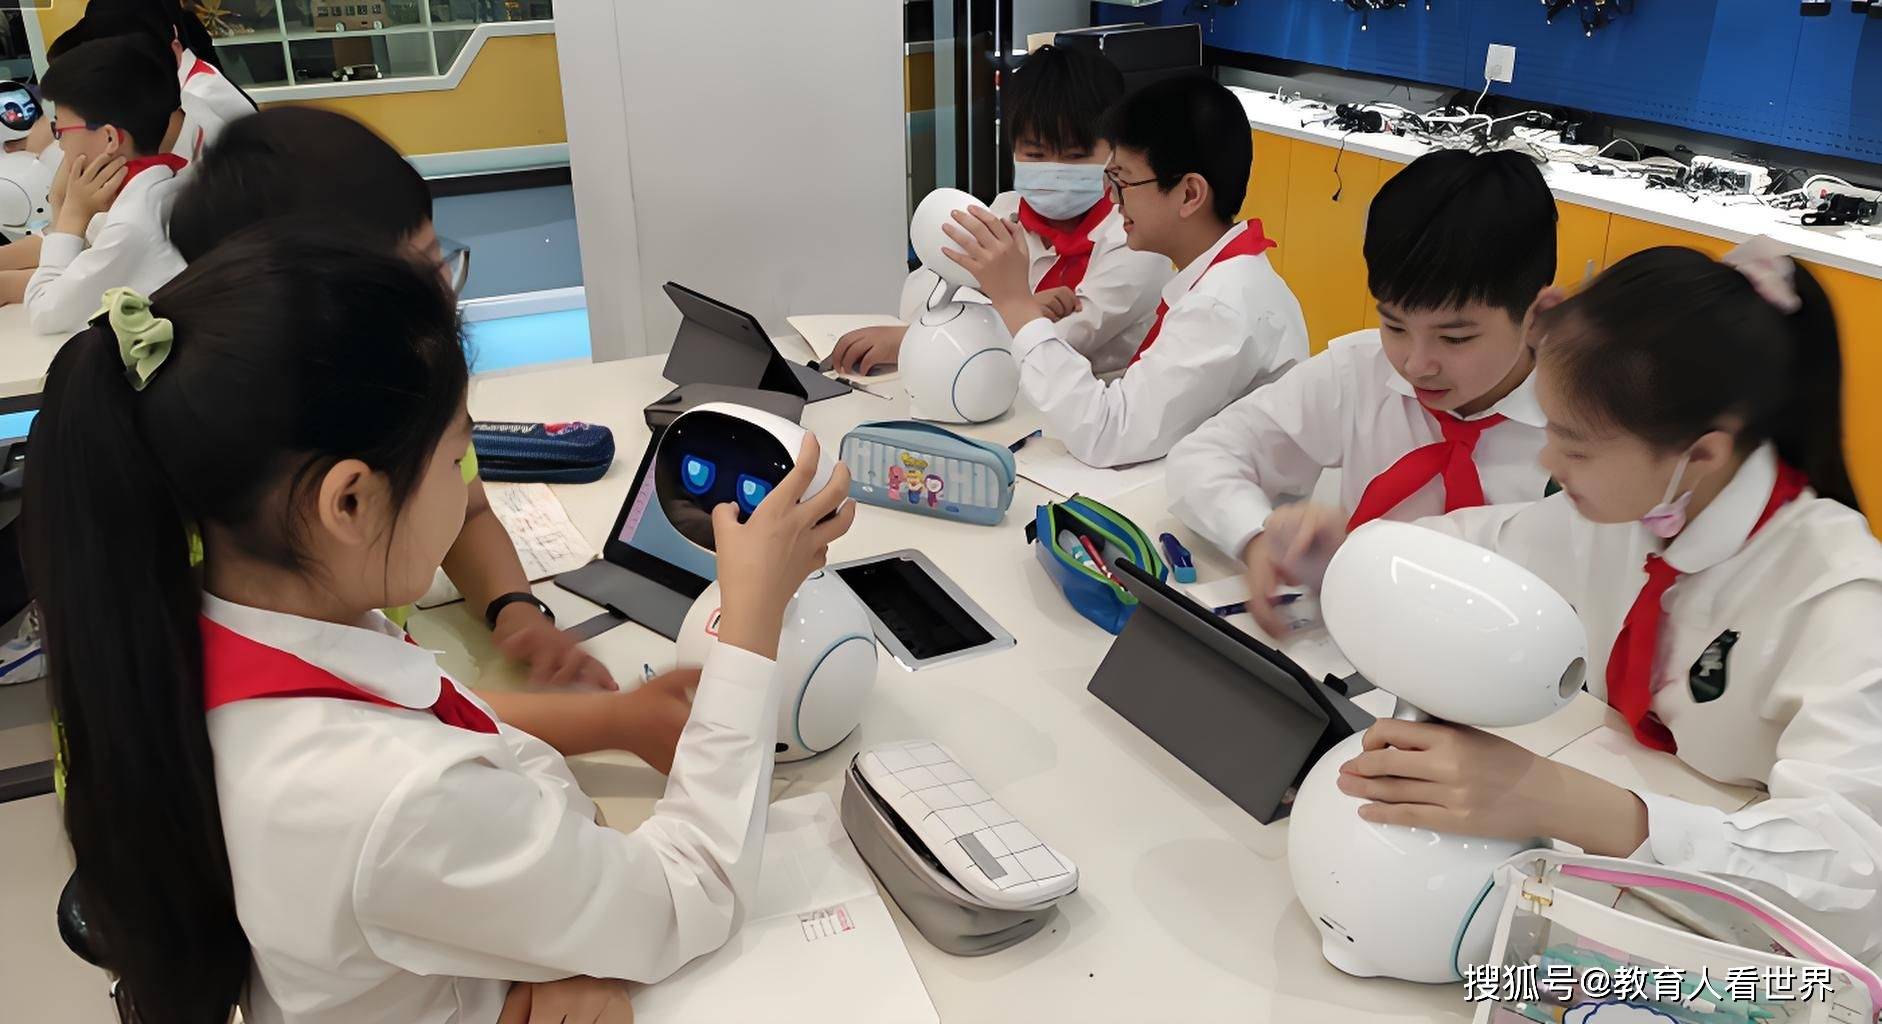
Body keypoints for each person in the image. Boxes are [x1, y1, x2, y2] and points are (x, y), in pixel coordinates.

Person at [24, 225, 857, 1023]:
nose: (467, 488)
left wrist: (562, 941)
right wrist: (752, 617)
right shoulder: (394, 796)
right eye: (455, 454)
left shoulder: (224, 635)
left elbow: (459, 735)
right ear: (350, 502)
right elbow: (693, 889)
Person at [1268, 242, 1882, 964]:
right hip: (1602, 884)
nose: (1548, 464)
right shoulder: (1632, 513)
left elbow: (1852, 879)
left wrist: (1566, 802)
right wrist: (1343, 553)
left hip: (1741, 954)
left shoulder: (1842, 598)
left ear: (1703, 455)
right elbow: (1477, 546)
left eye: (1576, 446)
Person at [170, 107, 603, 690]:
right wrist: (599, 720)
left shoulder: (398, 388)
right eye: (421, 272)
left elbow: (467, 511)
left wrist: (514, 609)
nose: (446, 294)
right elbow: (329, 705)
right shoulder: (232, 476)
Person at [1166, 149, 1557, 635]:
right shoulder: (1361, 370)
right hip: (1348, 643)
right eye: (1395, 326)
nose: (1416, 364)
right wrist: (1257, 536)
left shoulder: (1588, 435)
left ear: (1538, 317)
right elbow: (1203, 455)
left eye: (1455, 338)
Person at [944, 74, 1308, 467]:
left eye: (1123, 181)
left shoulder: (1221, 307)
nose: (1112, 198)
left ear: (1189, 194)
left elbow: (1108, 434)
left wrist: (1017, 304)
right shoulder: (1221, 282)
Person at [830, 44, 1170, 376]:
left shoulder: (1136, 238)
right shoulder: (1005, 210)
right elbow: (920, 297)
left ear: (1115, 151)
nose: (1054, 169)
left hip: (1086, 399)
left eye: (1075, 156)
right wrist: (1018, 308)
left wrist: (915, 338)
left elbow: (1061, 340)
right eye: (1035, 155)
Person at [21, 37, 187, 333]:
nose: (61, 146)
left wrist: (71, 215)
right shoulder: (162, 186)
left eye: (60, 130)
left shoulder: (131, 224)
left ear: (109, 138)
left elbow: (44, 311)